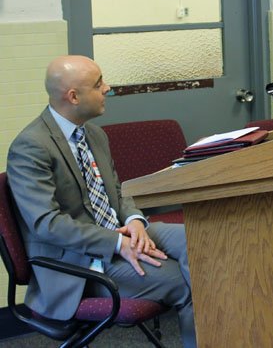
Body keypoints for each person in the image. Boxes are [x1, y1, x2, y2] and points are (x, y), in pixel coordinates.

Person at [6, 56, 196, 347]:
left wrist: (134, 221)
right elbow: (47, 224)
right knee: (189, 282)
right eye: (98, 84)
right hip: (79, 264)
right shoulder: (31, 146)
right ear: (73, 96)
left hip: (119, 231)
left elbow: (117, 192)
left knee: (203, 244)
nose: (107, 88)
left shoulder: (94, 134)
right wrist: (118, 243)